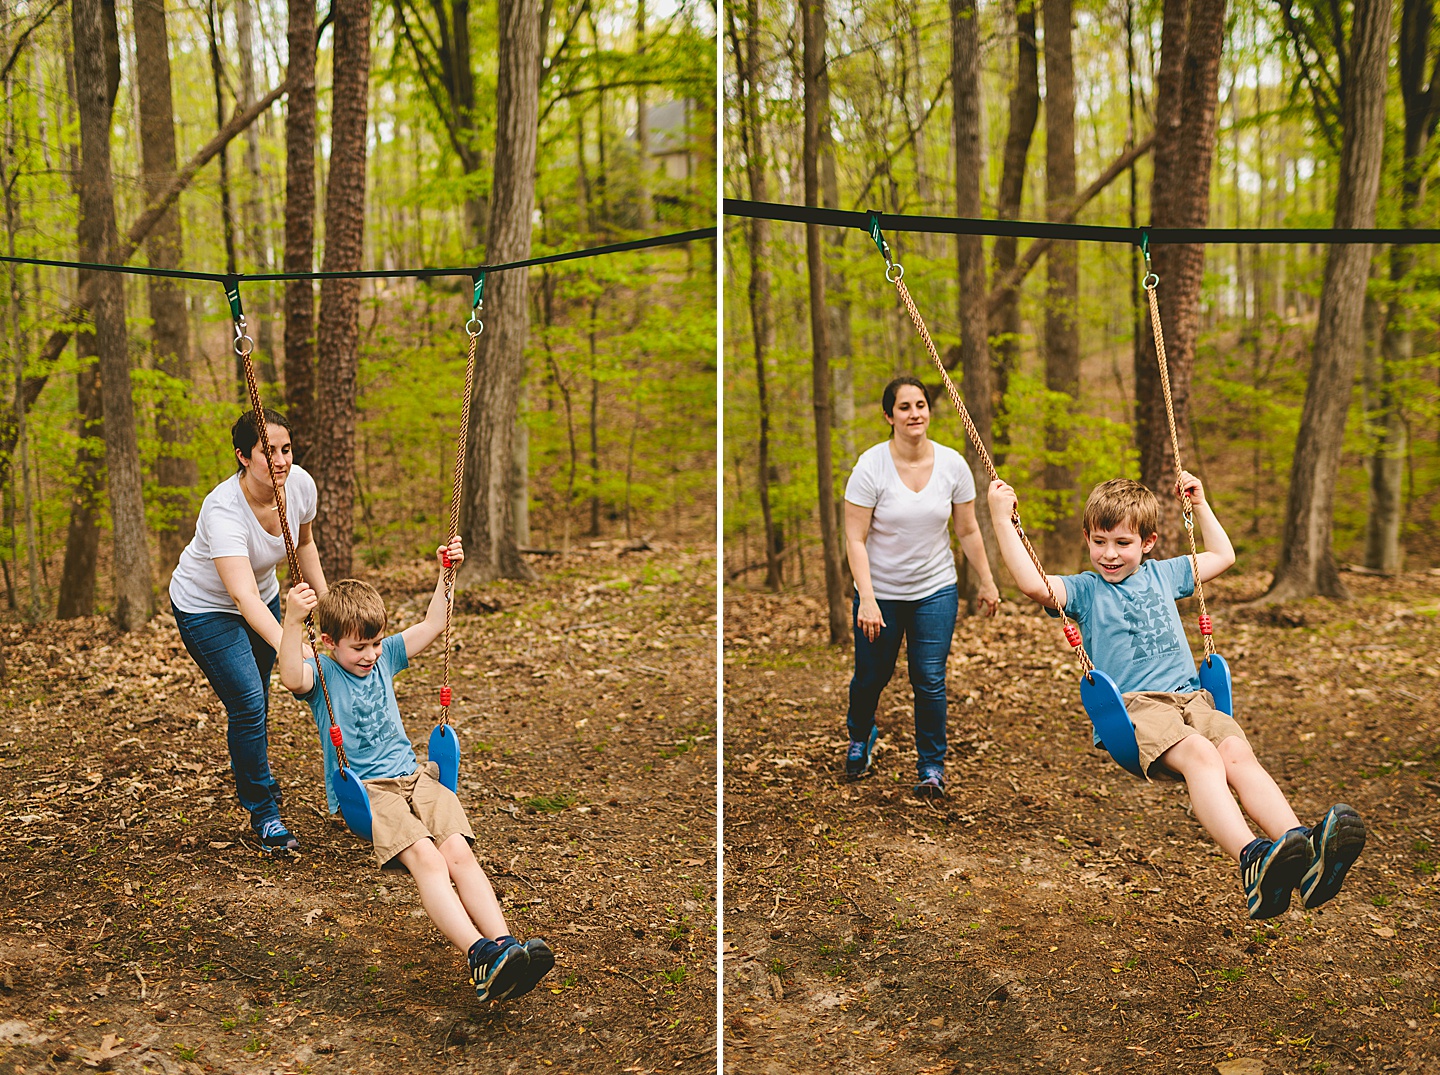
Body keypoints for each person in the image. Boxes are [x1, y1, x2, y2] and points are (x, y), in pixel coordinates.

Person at [987, 473, 1367, 919]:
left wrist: (1200, 506)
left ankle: (1303, 856)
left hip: (1193, 699)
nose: (1109, 554)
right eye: (1099, 541)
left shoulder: (1166, 575)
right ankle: (1252, 860)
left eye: (1122, 542)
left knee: (1237, 754)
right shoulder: (1087, 591)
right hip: (1138, 708)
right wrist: (1001, 519)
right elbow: (1032, 583)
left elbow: (1224, 555)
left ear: (1147, 542)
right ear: (1088, 539)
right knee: (1203, 758)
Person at [277, 537, 554, 1003]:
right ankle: (479, 955)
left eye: (375, 643)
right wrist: (290, 621)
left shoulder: (386, 656)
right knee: (426, 857)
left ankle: (507, 947)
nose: (369, 655)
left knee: (458, 853)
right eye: (358, 647)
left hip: (415, 776)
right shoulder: (322, 674)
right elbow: (290, 676)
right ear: (329, 643)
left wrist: (446, 573)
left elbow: (433, 622)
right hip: (370, 793)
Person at [170, 409, 325, 853]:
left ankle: (257, 780)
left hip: (264, 597)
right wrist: (292, 646)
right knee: (249, 700)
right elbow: (242, 600)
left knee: (255, 698)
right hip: (207, 608)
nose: (280, 461)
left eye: (286, 449)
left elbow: (307, 544)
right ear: (242, 456)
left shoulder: (299, 486)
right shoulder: (223, 510)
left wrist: (327, 609)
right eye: (267, 452)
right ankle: (264, 812)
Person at [842, 375, 1001, 798]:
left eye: (920, 405)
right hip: (881, 593)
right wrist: (868, 599)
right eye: (904, 407)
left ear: (929, 411)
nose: (915, 414)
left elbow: (967, 530)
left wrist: (986, 580)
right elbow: (854, 538)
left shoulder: (952, 465)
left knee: (929, 678)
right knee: (871, 677)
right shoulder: (870, 467)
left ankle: (931, 766)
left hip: (935, 589)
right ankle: (861, 735)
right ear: (888, 416)